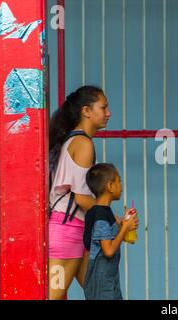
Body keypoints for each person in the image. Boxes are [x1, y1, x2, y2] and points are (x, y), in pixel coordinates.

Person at [48, 85, 111, 299]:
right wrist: (113, 219)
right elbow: (81, 197)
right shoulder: (83, 144)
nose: (108, 113)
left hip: (76, 231)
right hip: (67, 232)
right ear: (86, 111)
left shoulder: (74, 140)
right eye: (103, 107)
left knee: (100, 295)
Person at [83, 163, 138, 300]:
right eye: (119, 181)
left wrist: (125, 227)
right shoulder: (101, 215)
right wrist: (125, 227)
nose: (121, 186)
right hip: (102, 280)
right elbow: (108, 251)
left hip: (108, 277)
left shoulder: (102, 212)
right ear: (110, 186)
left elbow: (107, 238)